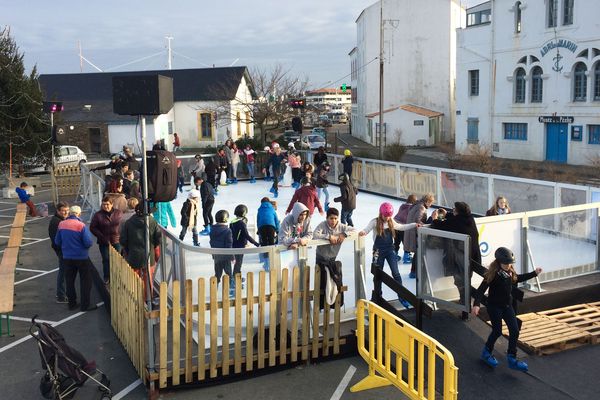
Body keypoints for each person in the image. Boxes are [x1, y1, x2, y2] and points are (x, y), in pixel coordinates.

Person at [472, 247, 542, 372]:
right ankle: (486, 352)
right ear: (499, 262)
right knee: (497, 331)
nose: (508, 265)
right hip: (494, 307)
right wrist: (476, 304)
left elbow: (518, 278)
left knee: (514, 331)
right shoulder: (493, 274)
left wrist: (534, 273)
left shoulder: (510, 272)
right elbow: (481, 290)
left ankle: (512, 357)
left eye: (510, 263)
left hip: (507, 306)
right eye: (505, 263)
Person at [359, 202, 419, 309]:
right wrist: (363, 232)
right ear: (381, 213)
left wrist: (414, 224)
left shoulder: (391, 221)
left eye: (389, 216)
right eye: (385, 216)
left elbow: (401, 227)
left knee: (396, 273)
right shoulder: (375, 222)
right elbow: (367, 229)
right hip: (378, 250)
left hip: (390, 250)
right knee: (377, 273)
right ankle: (377, 296)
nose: (387, 218)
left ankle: (402, 297)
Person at [431, 201, 482, 317]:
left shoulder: (456, 221)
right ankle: (465, 305)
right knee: (465, 282)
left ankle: (465, 309)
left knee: (462, 282)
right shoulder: (469, 218)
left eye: (454, 209)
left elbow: (442, 226)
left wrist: (434, 219)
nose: (452, 210)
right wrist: (447, 214)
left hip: (461, 257)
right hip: (472, 257)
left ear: (458, 211)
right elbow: (456, 220)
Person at [54, 206, 96, 311]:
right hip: (81, 257)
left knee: (69, 281)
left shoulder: (61, 224)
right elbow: (88, 242)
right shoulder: (81, 225)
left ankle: (72, 304)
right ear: (79, 214)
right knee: (86, 281)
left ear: (70, 213)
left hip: (67, 257)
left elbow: (57, 242)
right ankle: (85, 305)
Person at [313, 207, 355, 308]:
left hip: (332, 258)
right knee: (322, 282)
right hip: (321, 258)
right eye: (331, 218)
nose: (333, 221)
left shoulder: (341, 227)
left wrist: (344, 234)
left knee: (333, 282)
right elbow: (315, 234)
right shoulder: (322, 225)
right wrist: (328, 237)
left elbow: (355, 230)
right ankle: (321, 306)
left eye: (335, 218)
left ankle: (333, 304)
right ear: (327, 218)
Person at [120, 203, 162, 298]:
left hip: (133, 255)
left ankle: (136, 297)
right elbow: (158, 239)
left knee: (135, 278)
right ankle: (148, 298)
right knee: (148, 279)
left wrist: (128, 249)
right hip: (149, 254)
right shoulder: (152, 221)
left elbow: (123, 240)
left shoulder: (129, 222)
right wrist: (154, 248)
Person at [90, 196, 123, 284]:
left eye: (107, 204)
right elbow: (92, 228)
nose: (105, 206)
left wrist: (121, 236)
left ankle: (117, 276)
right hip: (103, 241)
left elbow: (122, 225)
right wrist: (101, 236)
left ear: (112, 204)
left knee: (118, 259)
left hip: (116, 240)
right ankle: (107, 276)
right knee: (106, 259)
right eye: (104, 204)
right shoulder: (98, 215)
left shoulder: (119, 213)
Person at [404, 193, 435, 279]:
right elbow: (419, 222)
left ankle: (414, 272)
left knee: (418, 253)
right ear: (427, 201)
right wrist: (432, 218)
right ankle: (414, 272)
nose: (431, 204)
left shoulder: (417, 205)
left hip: (411, 233)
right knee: (419, 252)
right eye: (431, 202)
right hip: (415, 234)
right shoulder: (421, 207)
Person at [230, 204, 259, 281]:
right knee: (238, 263)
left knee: (237, 262)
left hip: (234, 245)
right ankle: (235, 279)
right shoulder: (241, 223)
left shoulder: (232, 222)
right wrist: (257, 244)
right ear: (244, 213)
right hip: (239, 246)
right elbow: (246, 235)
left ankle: (237, 277)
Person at [49, 201, 69, 303]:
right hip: (62, 251)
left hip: (62, 250)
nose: (65, 213)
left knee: (64, 271)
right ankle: (61, 295)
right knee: (63, 272)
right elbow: (56, 240)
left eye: (67, 211)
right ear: (58, 211)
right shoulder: (56, 222)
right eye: (63, 211)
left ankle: (62, 294)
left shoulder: (59, 220)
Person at [210, 210, 234, 292]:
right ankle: (231, 290)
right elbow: (229, 246)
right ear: (226, 219)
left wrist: (214, 254)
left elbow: (212, 242)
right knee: (229, 274)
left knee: (217, 274)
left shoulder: (212, 229)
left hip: (217, 256)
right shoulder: (228, 231)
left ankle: (214, 290)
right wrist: (232, 257)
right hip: (226, 257)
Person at [257, 197, 280, 271]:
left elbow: (258, 220)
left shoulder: (259, 210)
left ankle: (266, 263)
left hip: (262, 227)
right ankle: (272, 262)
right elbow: (276, 219)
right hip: (271, 226)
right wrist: (277, 230)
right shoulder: (272, 209)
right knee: (271, 243)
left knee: (264, 244)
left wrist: (259, 229)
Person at [394, 194, 417, 264]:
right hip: (403, 227)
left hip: (395, 225)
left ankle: (394, 255)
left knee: (396, 242)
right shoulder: (412, 208)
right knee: (406, 242)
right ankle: (406, 257)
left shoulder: (402, 205)